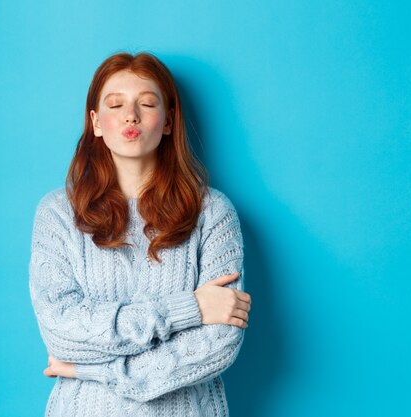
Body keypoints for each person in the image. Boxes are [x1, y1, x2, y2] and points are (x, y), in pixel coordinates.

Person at [29, 52, 252, 417]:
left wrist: (93, 369)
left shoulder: (212, 212)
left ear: (167, 121)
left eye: (147, 103)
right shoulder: (56, 214)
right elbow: (62, 334)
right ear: (96, 122)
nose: (131, 115)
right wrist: (189, 308)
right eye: (115, 105)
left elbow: (218, 343)